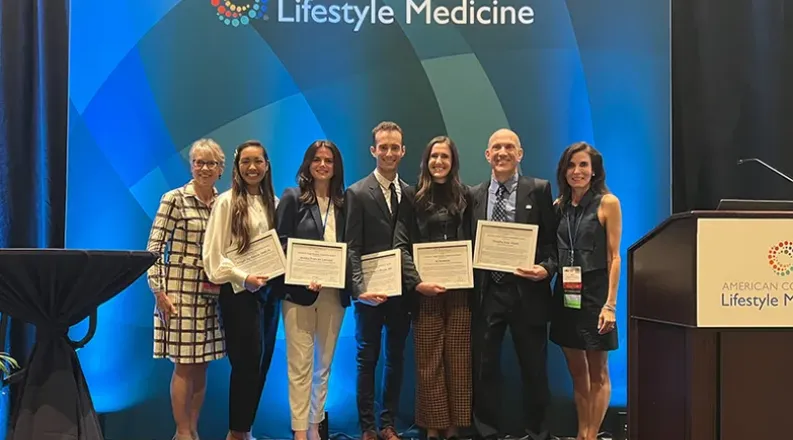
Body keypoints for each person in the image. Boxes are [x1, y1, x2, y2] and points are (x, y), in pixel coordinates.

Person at [469, 129, 558, 440]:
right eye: (496, 147)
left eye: (509, 147)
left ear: (520, 154)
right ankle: (487, 433)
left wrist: (546, 270)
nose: (502, 152)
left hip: (527, 293)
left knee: (534, 369)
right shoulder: (474, 194)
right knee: (484, 369)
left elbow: (552, 244)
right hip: (487, 293)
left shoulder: (540, 189)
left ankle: (538, 433)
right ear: (487, 155)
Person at [393, 136, 473, 440]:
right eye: (434, 157)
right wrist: (417, 283)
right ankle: (432, 427)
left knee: (459, 359)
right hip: (425, 292)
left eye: (445, 157)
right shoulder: (412, 198)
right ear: (426, 161)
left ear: (453, 162)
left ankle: (454, 426)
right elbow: (401, 245)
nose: (439, 162)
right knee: (428, 361)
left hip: (460, 292)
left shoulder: (466, 196)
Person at [146, 138, 227, 440]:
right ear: (191, 166)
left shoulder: (224, 202)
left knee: (202, 363)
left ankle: (193, 428)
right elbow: (154, 249)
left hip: (213, 293)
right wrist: (159, 291)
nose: (204, 168)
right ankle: (181, 433)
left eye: (211, 163)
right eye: (199, 162)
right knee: (184, 364)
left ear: (221, 169)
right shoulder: (174, 199)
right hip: (178, 292)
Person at [203, 140, 280, 440]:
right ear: (236, 167)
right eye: (246, 161)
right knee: (246, 364)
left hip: (268, 294)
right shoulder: (225, 202)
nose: (252, 167)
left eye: (258, 161)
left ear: (266, 165)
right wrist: (243, 277)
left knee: (261, 363)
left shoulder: (273, 202)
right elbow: (212, 258)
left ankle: (245, 430)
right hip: (238, 294)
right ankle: (236, 433)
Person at [275, 140, 349, 440]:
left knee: (323, 366)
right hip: (298, 294)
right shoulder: (292, 198)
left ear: (336, 167)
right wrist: (303, 274)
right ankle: (299, 431)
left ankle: (316, 426)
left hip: (334, 294)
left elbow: (352, 248)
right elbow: (280, 244)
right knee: (300, 365)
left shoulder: (345, 203)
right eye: (317, 159)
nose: (322, 165)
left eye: (329, 160)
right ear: (308, 164)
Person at [345, 121, 413, 440]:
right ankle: (368, 427)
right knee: (366, 359)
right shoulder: (356, 193)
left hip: (401, 294)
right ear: (373, 150)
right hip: (369, 294)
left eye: (394, 147)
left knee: (396, 358)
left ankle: (388, 424)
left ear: (403, 151)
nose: (388, 152)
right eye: (382, 147)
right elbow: (352, 248)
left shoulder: (412, 194)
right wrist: (360, 291)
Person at [549, 142, 620, 440]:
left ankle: (591, 435)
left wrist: (610, 305)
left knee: (598, 370)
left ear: (594, 171)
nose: (576, 171)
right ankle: (582, 431)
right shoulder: (557, 206)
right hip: (565, 293)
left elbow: (614, 256)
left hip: (595, 294)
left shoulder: (607, 203)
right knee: (577, 371)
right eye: (571, 166)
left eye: (583, 166)